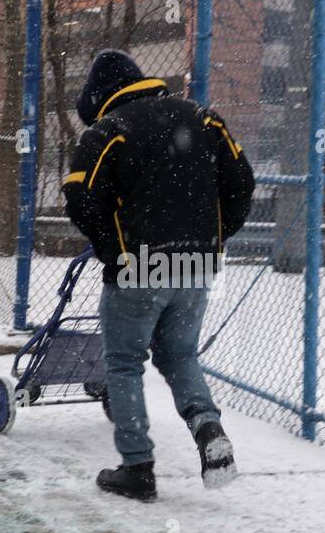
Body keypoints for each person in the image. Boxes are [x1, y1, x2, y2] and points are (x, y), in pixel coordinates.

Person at [63, 49, 254, 502]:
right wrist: (212, 237)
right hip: (196, 267)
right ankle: (209, 431)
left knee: (125, 363)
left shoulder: (107, 132)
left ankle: (138, 468)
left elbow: (80, 197)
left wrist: (116, 251)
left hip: (138, 267)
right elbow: (242, 183)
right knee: (181, 356)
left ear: (100, 96)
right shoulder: (204, 119)